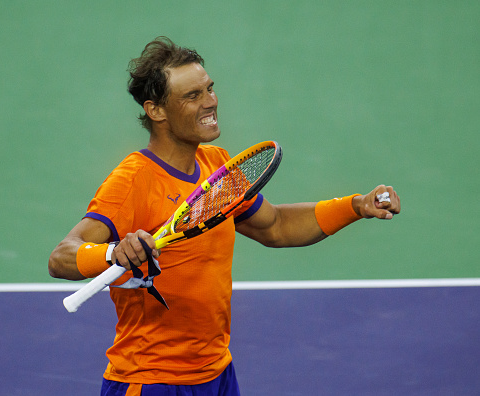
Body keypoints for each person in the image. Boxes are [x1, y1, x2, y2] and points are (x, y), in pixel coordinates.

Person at [48, 36, 401, 396]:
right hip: (151, 381)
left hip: (216, 373)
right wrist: (111, 253)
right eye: (193, 96)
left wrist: (355, 206)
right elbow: (62, 256)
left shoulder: (218, 169)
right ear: (156, 111)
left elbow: (276, 226)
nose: (211, 102)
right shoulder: (133, 180)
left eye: (210, 89)